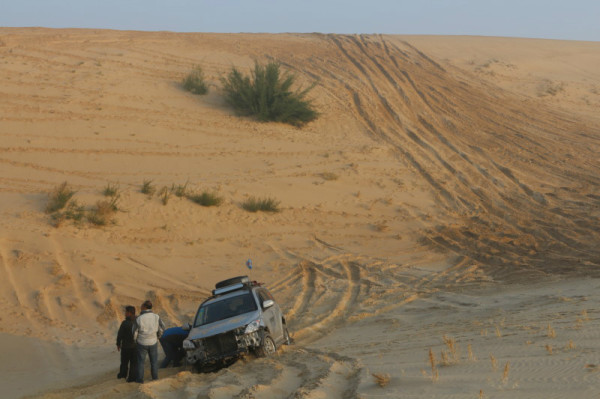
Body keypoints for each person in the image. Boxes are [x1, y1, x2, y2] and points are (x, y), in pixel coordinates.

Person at [133, 300, 165, 383]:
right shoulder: (156, 316)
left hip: (142, 342)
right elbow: (162, 328)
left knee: (141, 363)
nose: (140, 306)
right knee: (154, 362)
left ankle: (140, 380)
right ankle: (155, 378)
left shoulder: (139, 318)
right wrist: (158, 337)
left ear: (144, 307)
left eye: (142, 305)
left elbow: (134, 332)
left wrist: (135, 340)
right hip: (153, 342)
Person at [116, 305, 137, 382]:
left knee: (124, 363)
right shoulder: (138, 322)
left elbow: (120, 335)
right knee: (133, 364)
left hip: (126, 347)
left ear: (129, 313)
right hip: (136, 347)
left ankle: (122, 376)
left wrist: (118, 344)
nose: (125, 314)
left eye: (126, 312)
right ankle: (132, 378)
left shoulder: (125, 323)